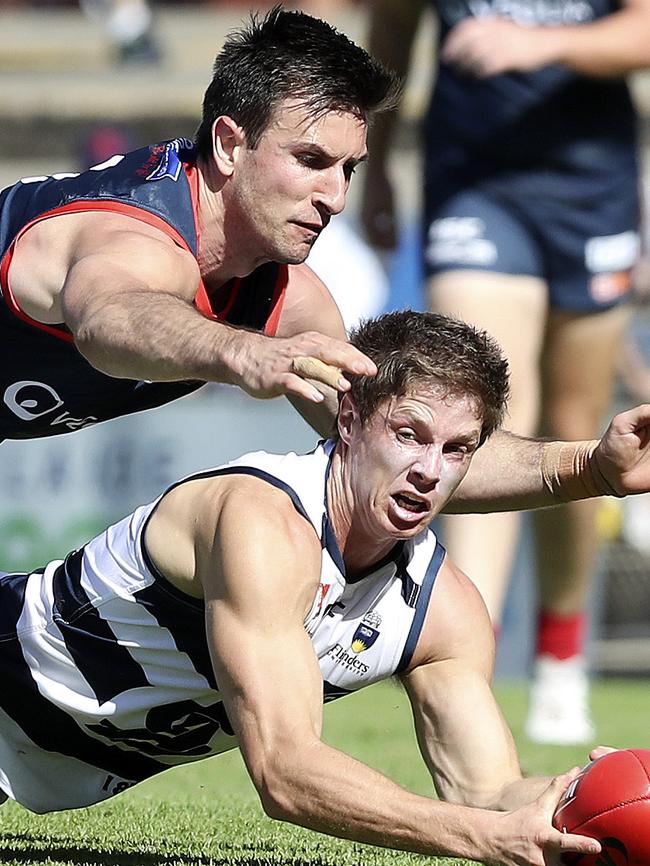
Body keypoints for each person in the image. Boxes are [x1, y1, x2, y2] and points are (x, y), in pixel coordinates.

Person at [2, 311, 650, 864]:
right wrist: (480, 839)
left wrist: (582, 797)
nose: (428, 470)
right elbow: (285, 771)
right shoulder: (262, 522)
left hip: (48, 765)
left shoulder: (444, 610)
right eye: (408, 434)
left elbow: (486, 792)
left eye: (457, 449)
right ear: (349, 417)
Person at [361, 0, 650, 745]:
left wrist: (538, 42)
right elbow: (390, 37)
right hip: (471, 185)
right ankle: (466, 662)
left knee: (573, 433)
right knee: (482, 415)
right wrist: (379, 165)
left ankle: (561, 651)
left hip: (592, 189)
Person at [0, 7, 397, 445]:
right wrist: (243, 351)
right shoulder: (135, 235)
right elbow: (107, 319)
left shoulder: (291, 304)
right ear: (229, 146)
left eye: (349, 170)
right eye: (310, 160)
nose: (336, 198)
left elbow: (378, 453)